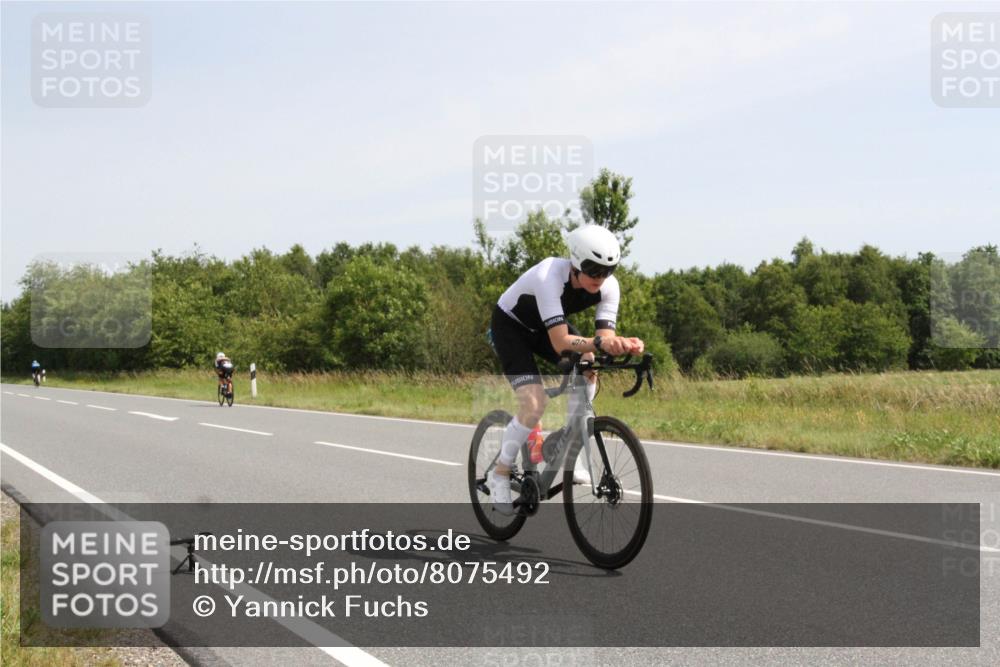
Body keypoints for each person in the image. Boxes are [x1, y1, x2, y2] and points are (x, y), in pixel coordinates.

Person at [486, 225, 644, 514]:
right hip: (511, 328)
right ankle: (500, 474)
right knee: (534, 403)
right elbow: (560, 343)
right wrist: (600, 343)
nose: (600, 277)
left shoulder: (609, 287)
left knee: (589, 365)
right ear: (576, 262)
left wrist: (622, 344)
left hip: (545, 327)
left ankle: (572, 444)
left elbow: (604, 338)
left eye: (608, 270)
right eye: (593, 269)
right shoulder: (549, 276)